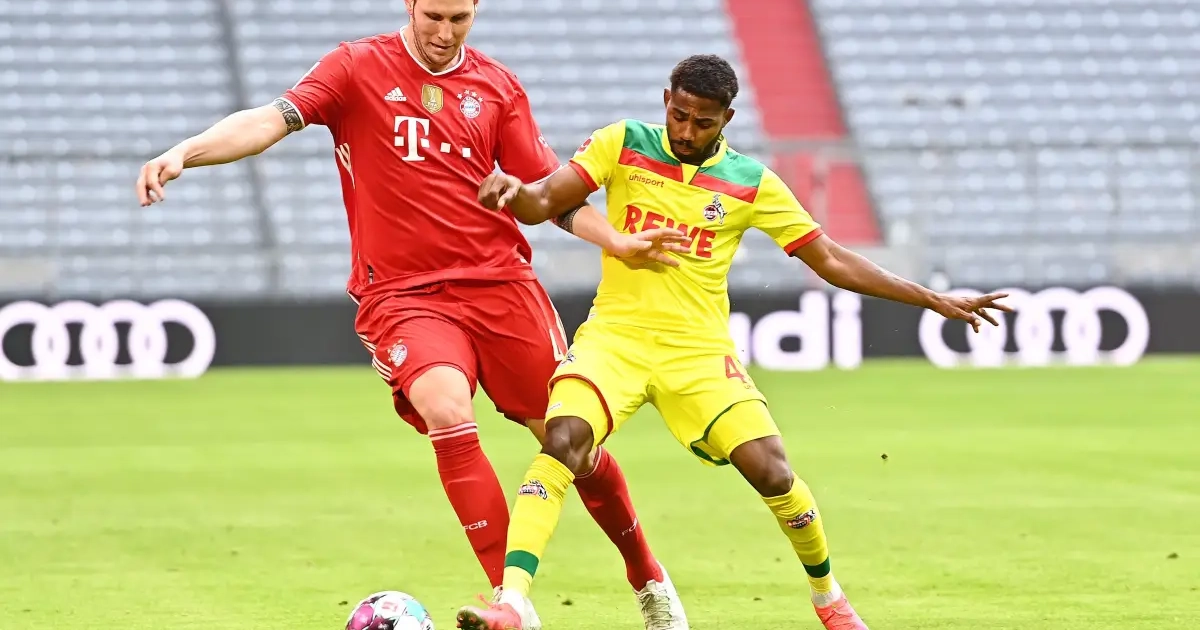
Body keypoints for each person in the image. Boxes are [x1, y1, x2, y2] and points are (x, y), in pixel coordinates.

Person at [133, 2, 694, 629]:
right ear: (409, 3)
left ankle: (648, 577)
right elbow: (271, 119)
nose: (444, 32)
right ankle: (511, 604)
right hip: (403, 295)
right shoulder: (355, 67)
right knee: (446, 410)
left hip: (501, 286)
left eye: (460, 18)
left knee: (571, 444)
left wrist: (614, 239)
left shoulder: (498, 88)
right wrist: (186, 152)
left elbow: (548, 193)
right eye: (433, 15)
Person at [456, 54, 1012, 630]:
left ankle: (829, 599)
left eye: (703, 122)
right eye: (678, 115)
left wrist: (930, 298)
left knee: (772, 471)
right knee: (563, 442)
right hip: (616, 338)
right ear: (666, 100)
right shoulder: (622, 142)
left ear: (727, 118)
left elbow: (829, 259)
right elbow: (545, 202)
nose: (686, 131)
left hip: (698, 351)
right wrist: (513, 191)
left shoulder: (751, 182)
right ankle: (512, 603)